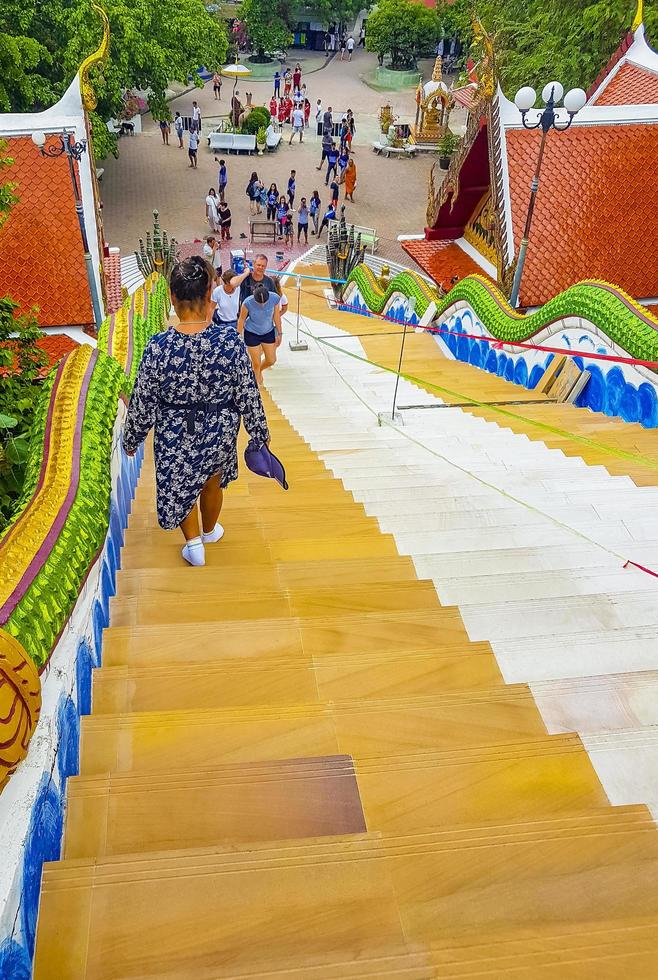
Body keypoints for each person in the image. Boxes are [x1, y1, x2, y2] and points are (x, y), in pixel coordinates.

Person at [122, 255, 270, 567]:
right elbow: (247, 392)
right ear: (208, 296)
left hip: (175, 430)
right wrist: (259, 433)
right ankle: (209, 530)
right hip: (220, 425)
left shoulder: (158, 346)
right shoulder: (229, 341)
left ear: (173, 298)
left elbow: (143, 398)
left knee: (182, 480)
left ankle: (193, 545)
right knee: (212, 479)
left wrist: (131, 438)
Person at [237, 283, 282, 385]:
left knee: (271, 360)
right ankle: (257, 384)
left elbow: (276, 316)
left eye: (265, 303)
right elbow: (241, 320)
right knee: (256, 363)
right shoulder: (247, 302)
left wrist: (279, 333)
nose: (262, 305)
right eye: (259, 303)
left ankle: (256, 372)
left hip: (268, 331)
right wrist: (238, 337)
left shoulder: (275, 298)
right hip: (252, 333)